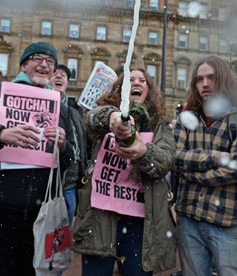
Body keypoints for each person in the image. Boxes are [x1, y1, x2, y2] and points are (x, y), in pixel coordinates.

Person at [0, 41, 74, 276]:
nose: (44, 64)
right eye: (37, 58)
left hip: (39, 212)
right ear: (23, 65)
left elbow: (69, 160)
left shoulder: (60, 105)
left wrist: (63, 146)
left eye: (50, 61)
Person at [73, 68, 177, 275]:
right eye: (131, 80)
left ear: (149, 90)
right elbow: (92, 118)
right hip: (100, 217)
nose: (137, 83)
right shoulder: (105, 113)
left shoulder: (160, 126)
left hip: (140, 223)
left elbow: (166, 161)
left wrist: (144, 152)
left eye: (142, 80)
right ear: (121, 88)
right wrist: (112, 117)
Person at [173, 55, 237, 276]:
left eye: (211, 77)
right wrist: (216, 157)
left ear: (224, 79)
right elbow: (174, 157)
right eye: (200, 79)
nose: (205, 84)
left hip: (227, 220)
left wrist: (192, 175)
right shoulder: (186, 118)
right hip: (188, 216)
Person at [49, 64, 88, 226]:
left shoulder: (75, 111)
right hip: (49, 181)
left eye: (63, 75)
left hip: (70, 182)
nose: (59, 77)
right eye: (55, 74)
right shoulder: (42, 106)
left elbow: (83, 140)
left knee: (65, 230)